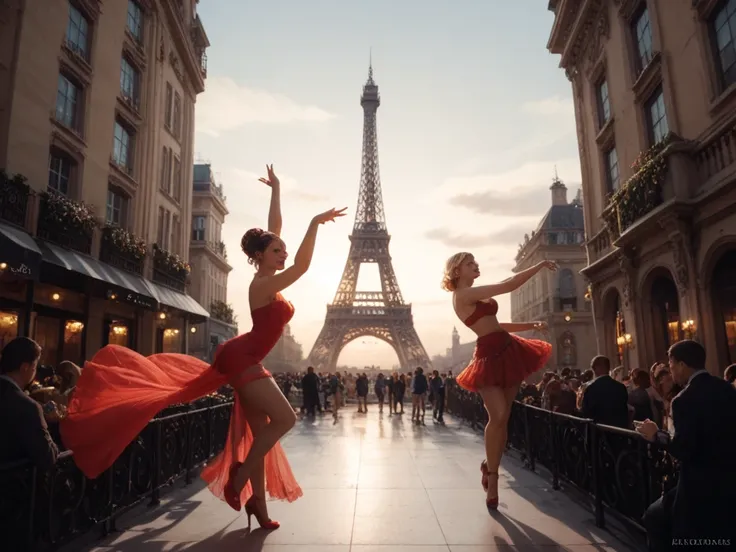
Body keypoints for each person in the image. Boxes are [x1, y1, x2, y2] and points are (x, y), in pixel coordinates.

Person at [59, 165, 347, 530]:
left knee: (262, 433)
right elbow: (304, 266)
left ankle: (257, 505)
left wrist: (276, 189)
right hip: (244, 358)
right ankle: (239, 476)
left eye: (283, 249)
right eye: (278, 250)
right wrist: (316, 223)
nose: (284, 254)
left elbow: (275, 227)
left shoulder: (268, 279)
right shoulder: (261, 285)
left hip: (246, 355)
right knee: (286, 419)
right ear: (260, 256)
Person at [442, 252, 555, 512]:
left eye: (475, 261)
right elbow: (508, 285)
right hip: (489, 356)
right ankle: (492, 477)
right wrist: (539, 264)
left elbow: (495, 324)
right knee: (499, 414)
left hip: (508, 349)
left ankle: (490, 467)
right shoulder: (463, 295)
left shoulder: (474, 293)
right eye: (470, 263)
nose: (476, 265)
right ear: (457, 271)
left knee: (503, 418)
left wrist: (530, 325)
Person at [637, 340, 736, 550]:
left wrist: (656, 436)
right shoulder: (727, 389)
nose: (671, 373)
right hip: (729, 477)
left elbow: (684, 448)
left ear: (682, 364)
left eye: (671, 366)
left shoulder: (684, 399)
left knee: (655, 519)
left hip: (698, 484)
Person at [0, 337, 59, 470]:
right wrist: (50, 425)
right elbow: (48, 457)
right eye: (35, 366)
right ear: (25, 368)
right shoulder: (28, 407)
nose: (35, 371)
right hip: (13, 486)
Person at [580, 355, 630, 428]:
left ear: (596, 368)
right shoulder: (621, 387)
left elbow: (586, 412)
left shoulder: (591, 388)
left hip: (600, 432)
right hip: (620, 431)